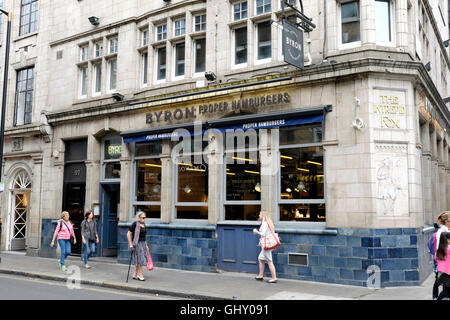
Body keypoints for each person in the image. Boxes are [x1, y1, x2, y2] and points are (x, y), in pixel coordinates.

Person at [253, 210, 277, 283]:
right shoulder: (268, 223)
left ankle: (274, 278)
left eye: (260, 214)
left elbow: (263, 234)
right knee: (260, 259)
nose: (259, 215)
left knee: (269, 261)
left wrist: (256, 231)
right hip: (266, 244)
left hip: (266, 245)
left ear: (263, 215)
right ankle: (260, 275)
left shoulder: (264, 224)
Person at [127, 211, 149, 281]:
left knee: (138, 259)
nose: (144, 219)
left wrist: (146, 245)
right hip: (137, 243)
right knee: (140, 259)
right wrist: (130, 244)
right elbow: (128, 234)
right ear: (139, 218)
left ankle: (135, 274)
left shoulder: (144, 224)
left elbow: (144, 236)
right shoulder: (135, 224)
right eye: (143, 217)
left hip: (143, 243)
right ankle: (140, 274)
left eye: (145, 217)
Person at [432, 211, 450, 298]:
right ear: (447, 221)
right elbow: (441, 248)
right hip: (444, 263)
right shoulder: (442, 232)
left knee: (445, 287)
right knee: (445, 287)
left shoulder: (446, 230)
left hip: (445, 262)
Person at [433, 232, 450, 300]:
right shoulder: (448, 250)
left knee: (446, 290)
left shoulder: (439, 251)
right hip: (447, 274)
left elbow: (436, 259)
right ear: (446, 240)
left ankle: (436, 297)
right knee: (446, 292)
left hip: (441, 274)